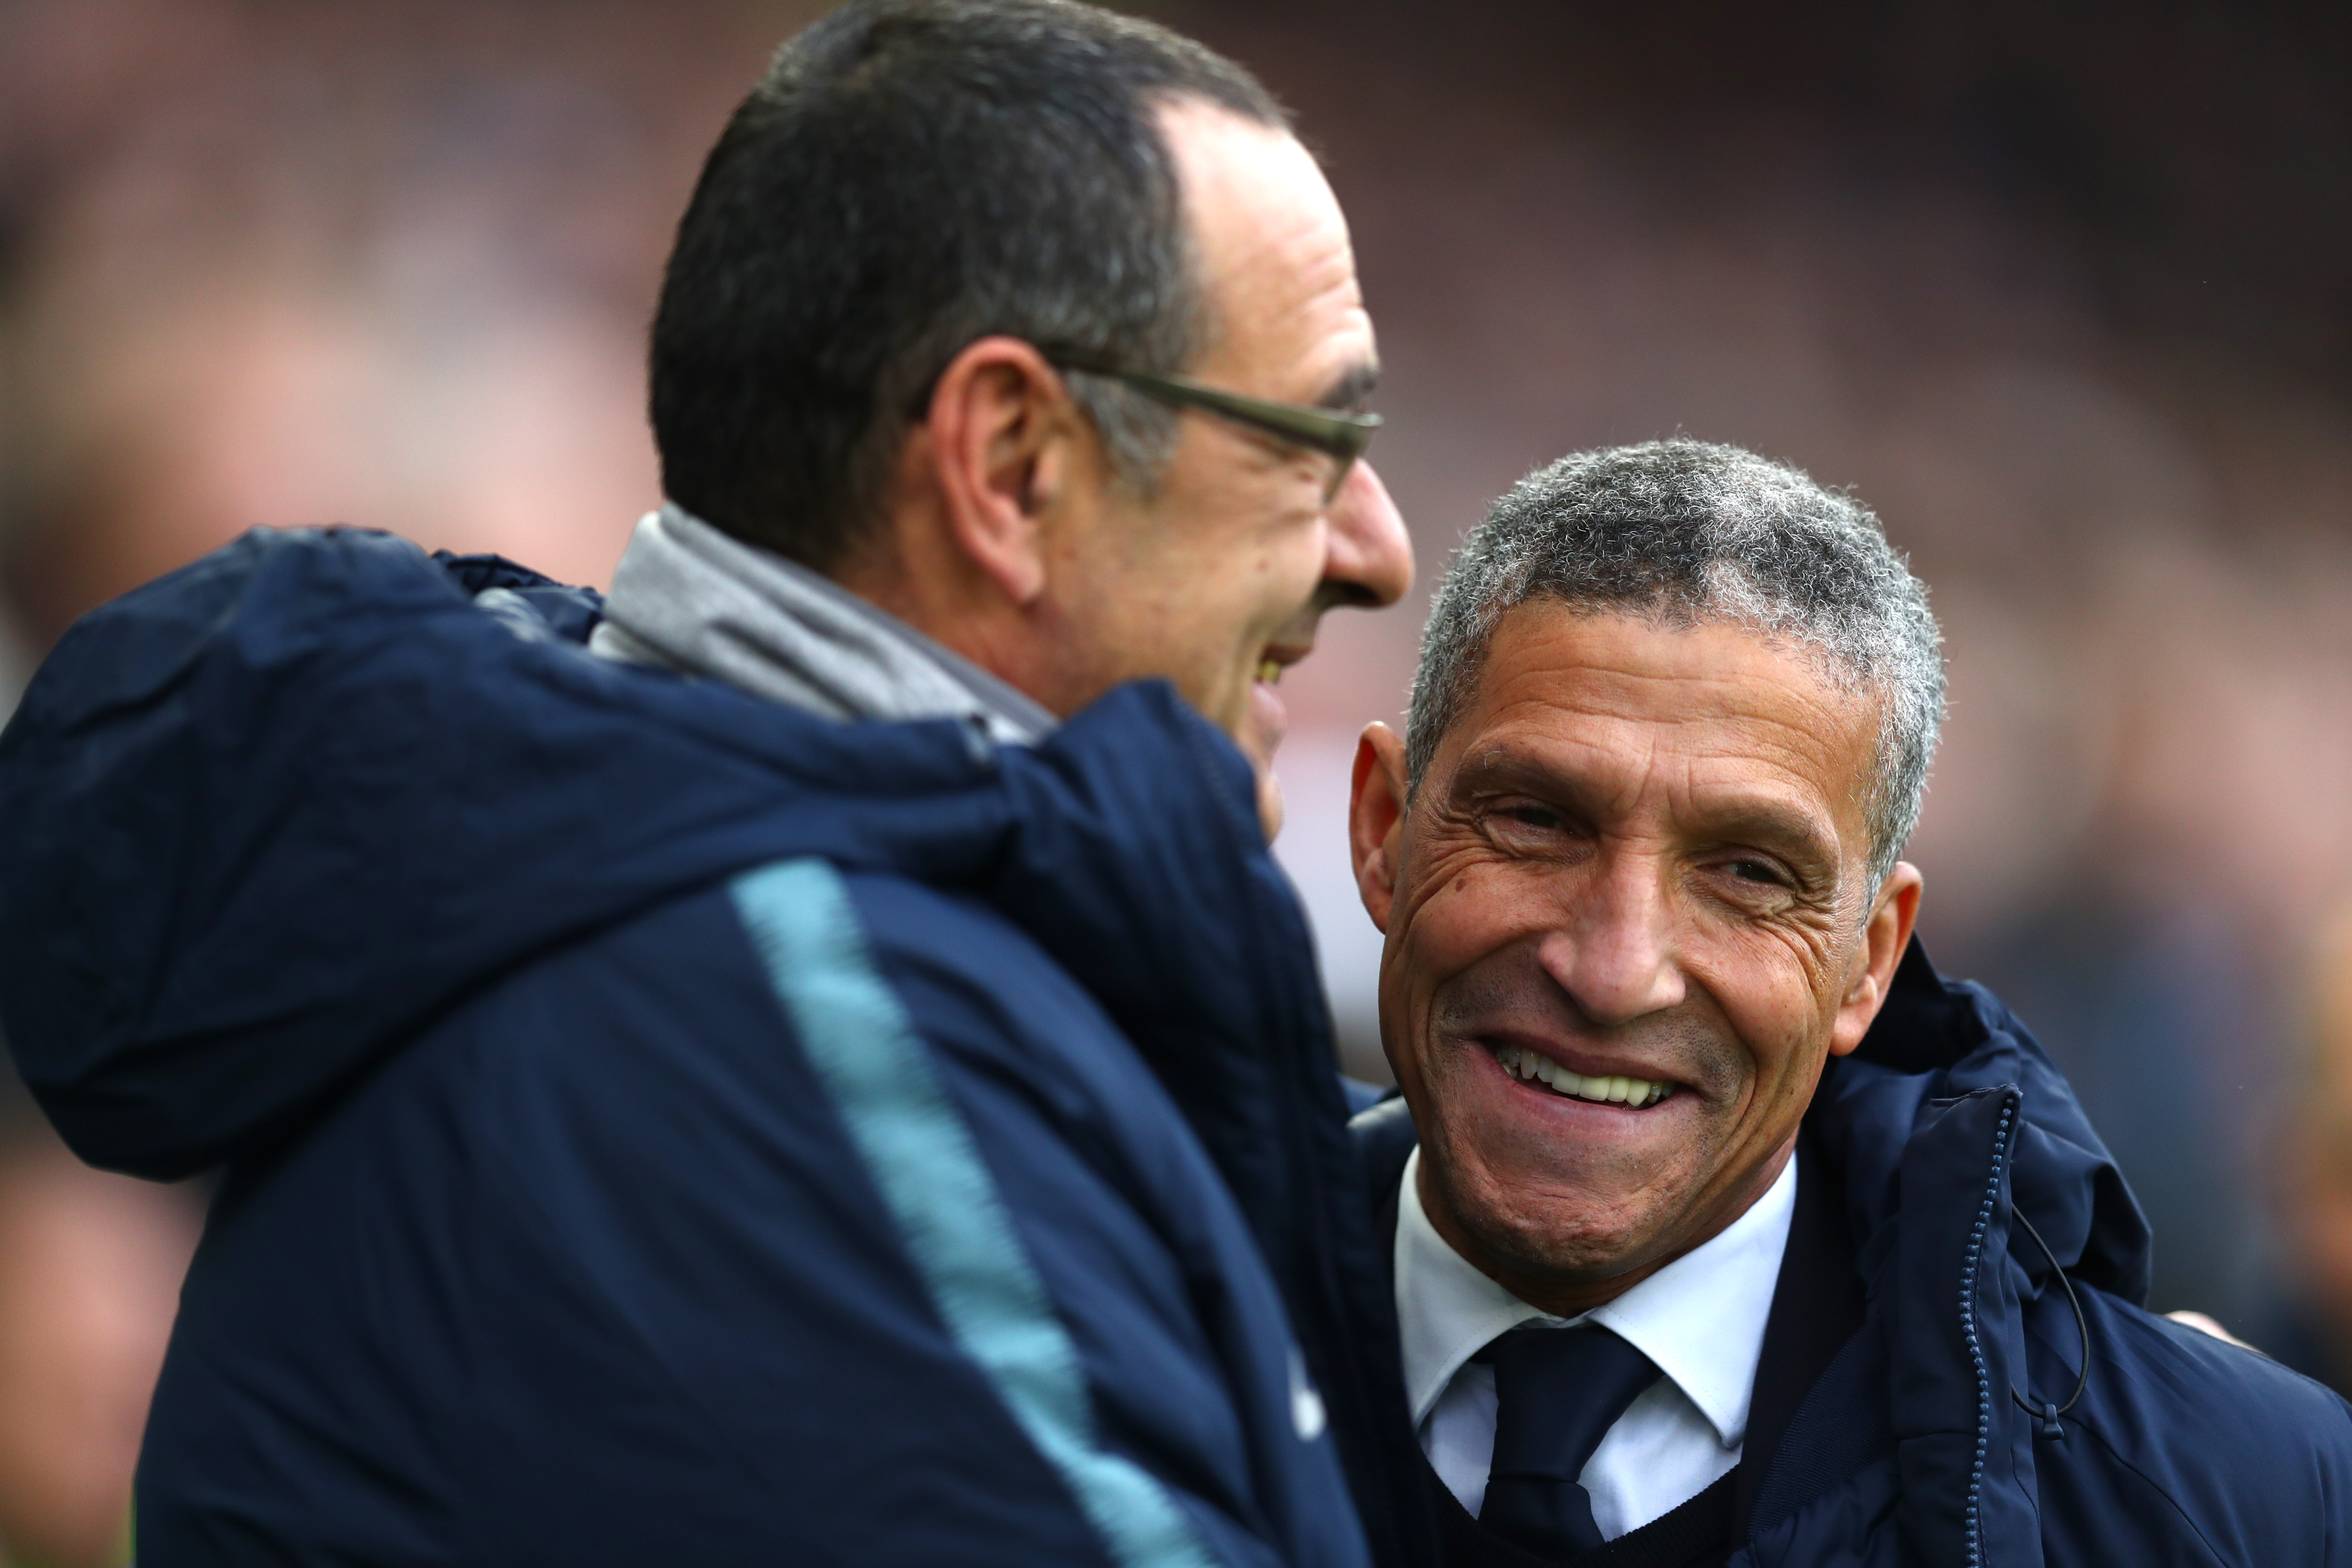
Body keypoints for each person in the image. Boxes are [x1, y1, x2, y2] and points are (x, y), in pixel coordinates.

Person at [0, 2, 1434, 1562]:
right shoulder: (795, 1034)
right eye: (1310, 438)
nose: (1378, 547)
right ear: (1011, 462)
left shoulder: (685, 906)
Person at [1343, 438, 2352, 1567]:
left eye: (1749, 873)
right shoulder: (1172, 1324)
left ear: (1869, 963)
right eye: (1536, 820)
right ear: (1385, 832)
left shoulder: (2237, 1505)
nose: (1615, 970)